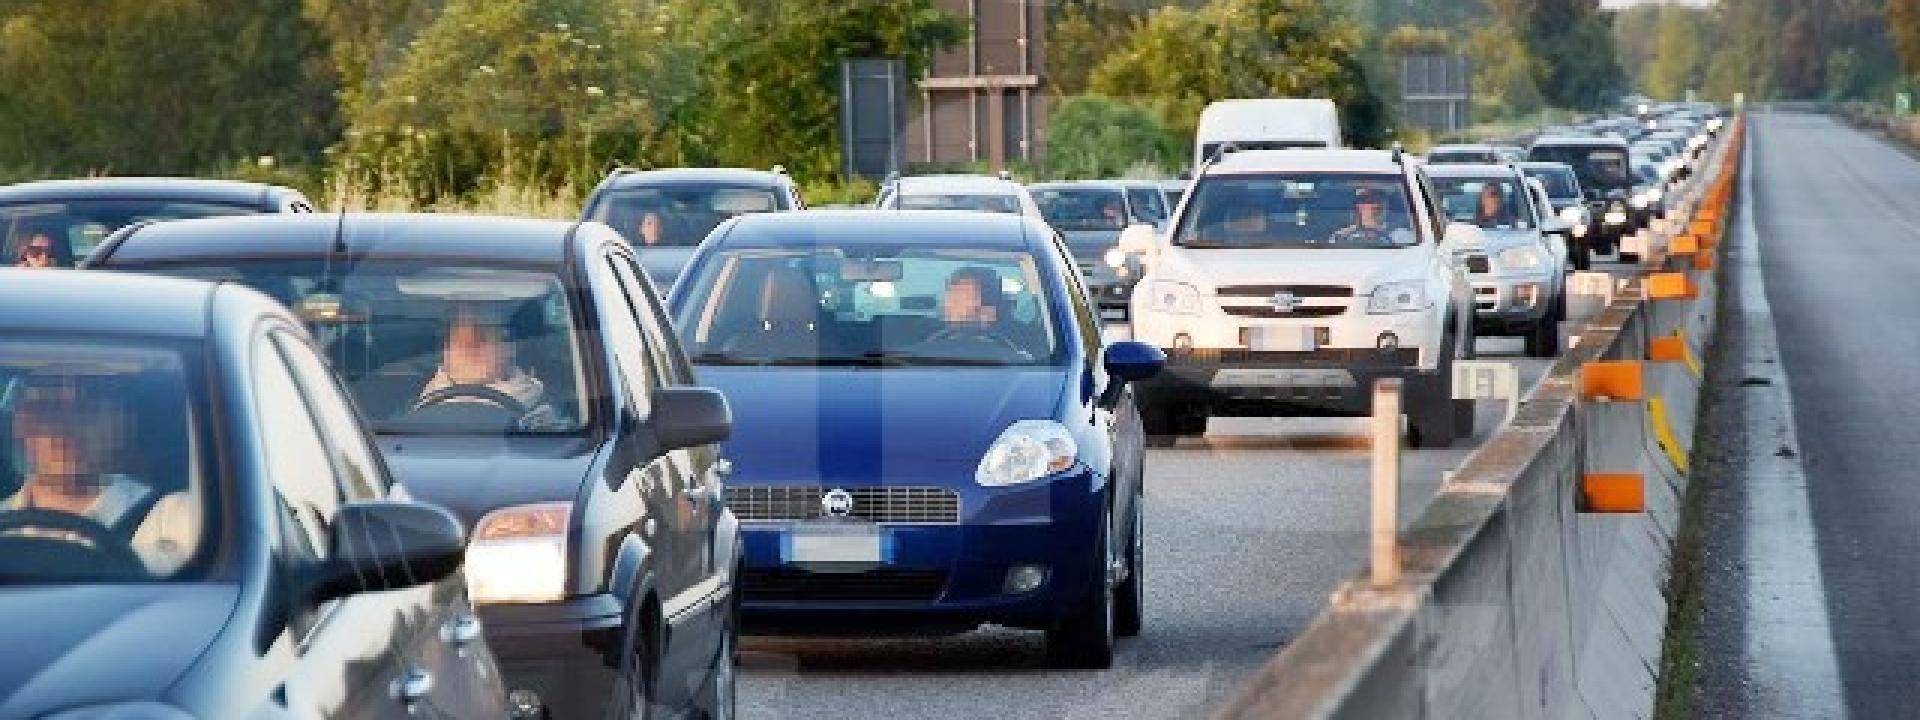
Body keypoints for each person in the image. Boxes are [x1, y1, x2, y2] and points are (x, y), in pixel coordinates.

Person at [3, 382, 197, 573]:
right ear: (22, 425)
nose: (67, 423)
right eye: (48, 407)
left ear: (118, 424)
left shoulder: (179, 518)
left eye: (87, 406)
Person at [410, 306, 563, 430]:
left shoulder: (541, 409)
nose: (470, 345)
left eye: (483, 335)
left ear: (508, 349)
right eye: (460, 339)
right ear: (445, 351)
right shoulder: (411, 414)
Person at [911, 266, 1030, 362]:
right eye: (949, 295)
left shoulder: (1018, 360)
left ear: (988, 311)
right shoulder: (915, 354)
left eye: (959, 298)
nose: (947, 304)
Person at [1330, 186, 1399, 246]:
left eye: (1370, 201)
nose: (1360, 205)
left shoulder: (1398, 234)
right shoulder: (1340, 236)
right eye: (1360, 201)